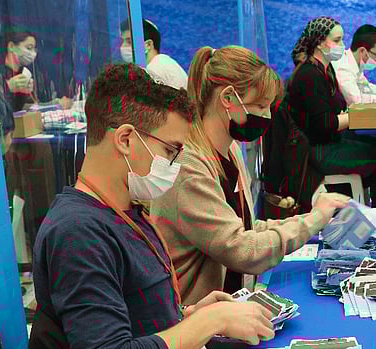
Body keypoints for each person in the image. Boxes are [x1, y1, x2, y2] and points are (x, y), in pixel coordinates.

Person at [31, 63, 275, 349]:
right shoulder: (78, 235)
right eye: (172, 151)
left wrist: (186, 313)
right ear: (126, 139)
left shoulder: (126, 212)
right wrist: (208, 324)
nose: (176, 165)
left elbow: (130, 321)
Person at [149, 45, 349, 305]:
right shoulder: (188, 167)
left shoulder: (229, 149)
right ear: (229, 98)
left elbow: (245, 229)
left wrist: (312, 219)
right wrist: (314, 220)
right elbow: (242, 249)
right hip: (197, 321)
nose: (266, 116)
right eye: (260, 105)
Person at [287, 16, 376, 207]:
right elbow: (325, 125)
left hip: (327, 140)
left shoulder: (325, 69)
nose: (343, 45)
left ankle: (371, 203)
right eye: (337, 40)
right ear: (320, 43)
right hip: (316, 151)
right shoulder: (310, 75)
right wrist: (361, 115)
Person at [0, 28, 72, 111]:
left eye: (34, 49)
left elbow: (27, 107)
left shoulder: (24, 72)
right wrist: (8, 87)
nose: (33, 53)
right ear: (11, 46)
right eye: (29, 48)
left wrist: (54, 104)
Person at [332, 24, 376, 104]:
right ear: (362, 51)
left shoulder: (354, 64)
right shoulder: (343, 68)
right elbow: (356, 101)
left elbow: (366, 88)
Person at [120, 18, 188, 89]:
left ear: (148, 45)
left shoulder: (154, 69)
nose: (123, 47)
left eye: (129, 42)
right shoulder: (164, 62)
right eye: (123, 41)